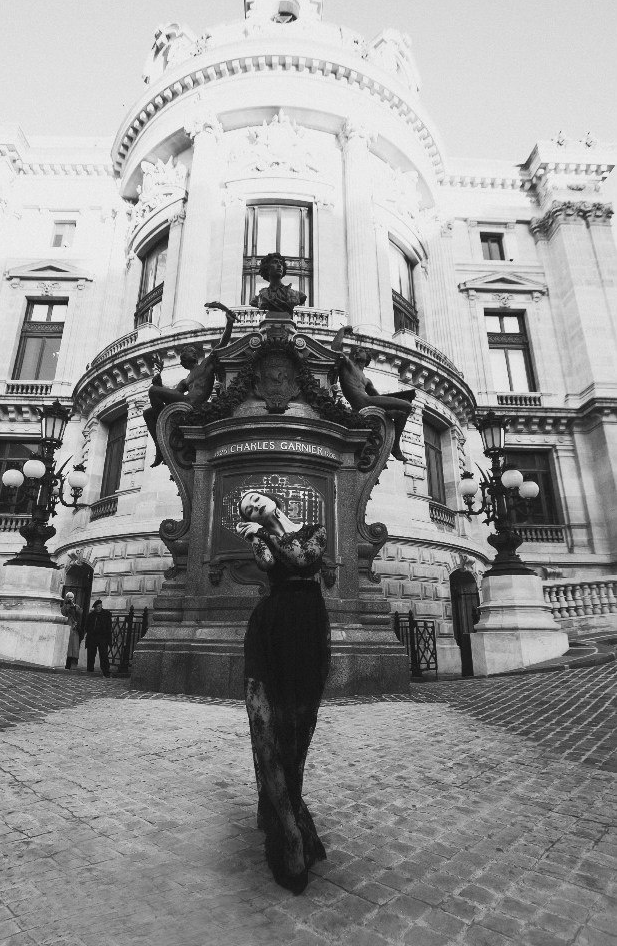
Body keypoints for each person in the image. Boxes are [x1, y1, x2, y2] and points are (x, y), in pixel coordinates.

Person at [236, 489, 330, 894]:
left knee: (296, 729)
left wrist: (268, 531)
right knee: (266, 730)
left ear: (272, 500)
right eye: (248, 508)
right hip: (270, 628)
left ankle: (286, 807)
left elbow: (303, 558)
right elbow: (269, 563)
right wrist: (257, 538)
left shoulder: (314, 530)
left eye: (256, 499)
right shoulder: (261, 539)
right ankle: (290, 834)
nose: (254, 506)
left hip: (306, 631)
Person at [143, 301, 237, 467]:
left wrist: (229, 323)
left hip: (193, 403)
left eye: (190, 352)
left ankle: (163, 424)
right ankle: (160, 445)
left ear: (194, 356)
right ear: (183, 362)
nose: (189, 354)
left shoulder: (206, 365)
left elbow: (222, 343)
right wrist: (160, 384)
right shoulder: (185, 380)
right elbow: (172, 395)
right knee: (148, 413)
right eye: (185, 354)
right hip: (185, 402)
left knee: (153, 391)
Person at [331, 325, 416, 461]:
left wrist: (398, 400)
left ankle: (390, 419)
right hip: (362, 402)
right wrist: (342, 331)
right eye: (357, 350)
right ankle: (395, 446)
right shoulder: (348, 365)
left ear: (367, 358)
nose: (357, 351)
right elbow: (334, 351)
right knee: (406, 406)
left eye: (361, 350)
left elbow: (378, 398)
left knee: (406, 405)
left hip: (368, 401)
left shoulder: (367, 380)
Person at [249, 253, 307, 317]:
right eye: (275, 262)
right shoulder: (260, 297)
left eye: (281, 263)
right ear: (267, 268)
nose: (279, 265)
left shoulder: (296, 294)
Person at [84, 599, 112, 677]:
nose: (98, 608)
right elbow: (87, 626)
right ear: (95, 607)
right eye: (97, 607)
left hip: (102, 637)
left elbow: (109, 626)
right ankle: (90, 670)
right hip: (92, 637)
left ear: (101, 606)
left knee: (103, 654)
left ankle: (106, 671)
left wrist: (107, 637)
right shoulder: (91, 615)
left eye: (99, 606)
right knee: (91, 654)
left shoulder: (106, 614)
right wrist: (90, 632)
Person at [60, 592, 82, 670]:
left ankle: (72, 663)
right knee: (66, 647)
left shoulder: (76, 606)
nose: (70, 599)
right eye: (68, 598)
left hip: (74, 629)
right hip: (67, 628)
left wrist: (73, 606)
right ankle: (66, 664)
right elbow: (63, 613)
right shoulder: (64, 607)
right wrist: (67, 606)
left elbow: (79, 613)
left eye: (71, 598)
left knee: (73, 648)